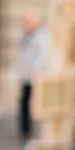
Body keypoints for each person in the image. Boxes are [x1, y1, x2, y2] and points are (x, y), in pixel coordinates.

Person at [17, 13, 52, 142]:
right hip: (26, 75)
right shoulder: (27, 36)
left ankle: (34, 131)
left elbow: (42, 58)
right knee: (25, 102)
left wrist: (36, 73)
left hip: (36, 76)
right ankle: (25, 129)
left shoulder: (42, 37)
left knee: (36, 104)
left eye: (28, 22)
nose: (25, 25)